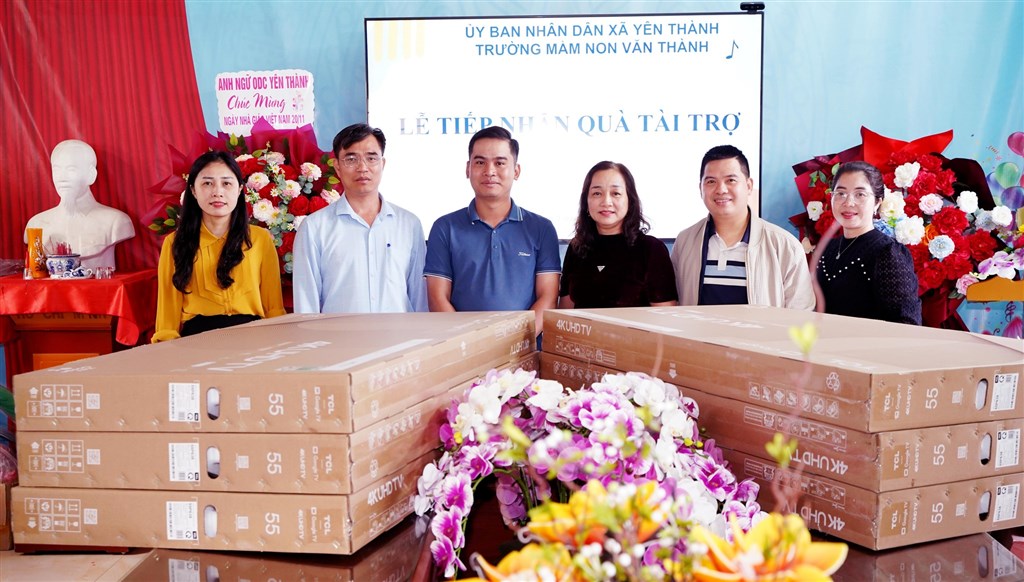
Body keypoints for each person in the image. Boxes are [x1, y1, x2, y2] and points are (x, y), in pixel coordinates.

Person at [424, 126, 560, 334]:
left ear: (516, 171)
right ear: (468, 169)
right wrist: (471, 345)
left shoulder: (541, 228)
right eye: (480, 162)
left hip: (526, 348)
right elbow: (437, 298)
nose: (489, 171)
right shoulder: (445, 228)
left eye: (500, 163)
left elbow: (548, 298)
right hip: (464, 347)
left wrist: (515, 343)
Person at [292, 123, 427, 313]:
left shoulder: (409, 224)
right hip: (339, 333)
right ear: (337, 167)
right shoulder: (314, 227)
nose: (362, 168)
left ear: (382, 164)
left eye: (371, 158)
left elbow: (420, 297)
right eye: (351, 159)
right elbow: (306, 303)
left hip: (400, 332)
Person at [153, 151, 285, 342]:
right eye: (207, 183)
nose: (217, 192)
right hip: (197, 341)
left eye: (226, 183)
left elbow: (274, 307)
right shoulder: (175, 243)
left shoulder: (260, 239)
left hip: (253, 340)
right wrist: (167, 345)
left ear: (239, 189)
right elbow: (167, 312)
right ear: (193, 190)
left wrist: (278, 343)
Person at [671, 145, 815, 309]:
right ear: (700, 189)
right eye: (711, 181)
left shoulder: (785, 245)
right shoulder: (685, 242)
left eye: (730, 180)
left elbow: (801, 314)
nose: (721, 189)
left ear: (748, 186)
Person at [559, 161, 678, 308]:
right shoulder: (576, 248)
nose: (606, 202)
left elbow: (665, 315)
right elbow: (564, 314)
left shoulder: (651, 249)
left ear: (630, 200)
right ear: (586, 202)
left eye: (616, 193)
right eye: (597, 193)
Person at [816, 161, 922, 324]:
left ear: (877, 202)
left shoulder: (887, 253)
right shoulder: (827, 248)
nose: (848, 202)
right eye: (841, 193)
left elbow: (907, 323)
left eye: (860, 194)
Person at [24, 139, 135, 270]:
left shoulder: (116, 222)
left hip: (102, 281)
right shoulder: (36, 224)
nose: (62, 178)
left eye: (71, 169)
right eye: (57, 170)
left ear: (91, 175)